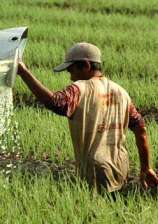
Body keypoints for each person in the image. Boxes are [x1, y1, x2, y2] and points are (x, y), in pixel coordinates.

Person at [17, 42, 158, 192]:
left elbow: (54, 102)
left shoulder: (80, 88)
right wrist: (146, 167)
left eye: (71, 70)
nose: (71, 77)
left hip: (94, 171)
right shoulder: (121, 92)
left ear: (86, 65)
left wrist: (24, 72)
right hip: (121, 167)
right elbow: (141, 129)